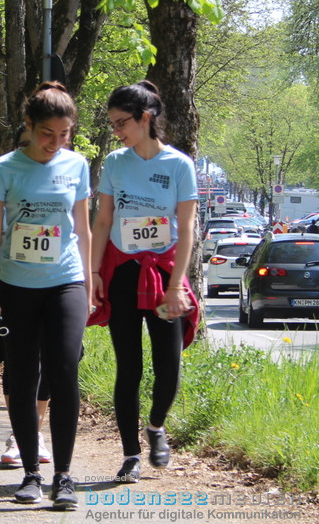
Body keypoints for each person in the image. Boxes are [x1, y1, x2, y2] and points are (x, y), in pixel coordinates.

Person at [0, 82, 91, 510]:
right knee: (21, 378)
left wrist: (91, 286)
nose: (55, 143)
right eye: (47, 133)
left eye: (64, 134)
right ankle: (30, 473)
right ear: (29, 125)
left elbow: (84, 227)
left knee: (64, 372)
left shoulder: (77, 166)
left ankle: (63, 475)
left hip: (66, 281)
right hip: (16, 285)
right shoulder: (4, 168)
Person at [87, 81, 197, 484]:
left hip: (165, 273)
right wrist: (94, 273)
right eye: (113, 123)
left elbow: (186, 229)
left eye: (121, 123)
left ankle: (155, 426)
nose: (116, 130)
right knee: (128, 367)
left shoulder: (179, 165)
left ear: (145, 118)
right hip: (123, 273)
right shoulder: (116, 162)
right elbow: (102, 221)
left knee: (168, 364)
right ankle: (130, 454)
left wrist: (176, 285)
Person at [0, 123, 52, 468]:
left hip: (53, 283)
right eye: (22, 144)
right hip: (11, 282)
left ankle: (37, 431)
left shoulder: (57, 181)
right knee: (16, 361)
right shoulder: (5, 179)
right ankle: (18, 432)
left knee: (47, 359)